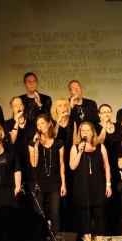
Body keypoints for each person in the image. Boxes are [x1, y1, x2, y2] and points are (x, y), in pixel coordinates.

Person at [69, 122, 112, 241]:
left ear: (93, 132)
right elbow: (72, 166)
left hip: (98, 184)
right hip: (82, 186)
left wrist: (108, 184)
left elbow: (107, 166)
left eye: (88, 130)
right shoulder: (75, 148)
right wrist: (80, 152)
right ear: (80, 133)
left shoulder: (100, 147)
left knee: (99, 214)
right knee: (85, 215)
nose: (85, 133)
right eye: (83, 131)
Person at [29, 114, 66, 234]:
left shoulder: (59, 143)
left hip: (54, 182)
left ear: (49, 123)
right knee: (39, 214)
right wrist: (36, 145)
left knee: (55, 213)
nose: (40, 126)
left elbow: (61, 164)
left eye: (42, 123)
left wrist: (63, 184)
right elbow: (34, 164)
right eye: (38, 124)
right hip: (38, 182)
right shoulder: (33, 143)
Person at [95, 104, 122, 235]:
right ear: (99, 114)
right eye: (103, 112)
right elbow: (98, 142)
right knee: (105, 199)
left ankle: (117, 231)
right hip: (103, 168)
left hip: (117, 167)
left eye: (108, 111)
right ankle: (105, 231)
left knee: (118, 199)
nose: (106, 114)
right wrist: (104, 128)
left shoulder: (118, 127)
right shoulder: (96, 127)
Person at [3, 96, 35, 204]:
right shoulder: (7, 124)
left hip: (31, 163)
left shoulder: (32, 124)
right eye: (15, 105)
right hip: (16, 164)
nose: (18, 107)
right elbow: (11, 141)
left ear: (23, 106)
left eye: (20, 104)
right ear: (12, 109)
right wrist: (16, 122)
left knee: (31, 194)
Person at [51, 98, 74, 232]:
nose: (63, 108)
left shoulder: (74, 123)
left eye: (65, 105)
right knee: (59, 201)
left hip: (72, 163)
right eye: (60, 106)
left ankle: (73, 230)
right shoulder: (53, 123)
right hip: (57, 165)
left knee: (72, 198)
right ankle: (61, 231)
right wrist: (58, 123)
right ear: (56, 109)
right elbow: (51, 137)